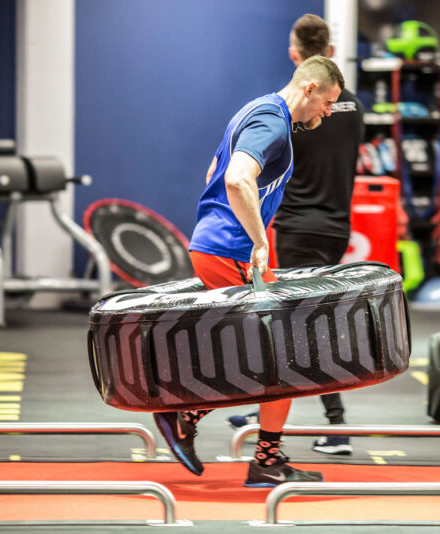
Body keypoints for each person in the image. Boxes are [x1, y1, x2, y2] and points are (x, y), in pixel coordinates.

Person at [153, 55, 345, 487]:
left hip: (219, 247)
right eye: (329, 103)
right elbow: (236, 178)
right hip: (229, 252)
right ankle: (192, 418)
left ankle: (258, 455)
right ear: (310, 89)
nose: (329, 113)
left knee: (274, 354)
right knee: (282, 358)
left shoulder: (256, 108)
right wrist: (259, 241)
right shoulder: (273, 123)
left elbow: (212, 170)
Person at [226, 14, 365, 456]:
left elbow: (244, 174)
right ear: (331, 53)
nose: (324, 111)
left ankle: (335, 423)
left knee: (298, 327)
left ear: (294, 58)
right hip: (335, 227)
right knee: (303, 322)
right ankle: (263, 405)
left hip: (297, 227)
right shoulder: (355, 106)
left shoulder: (293, 116)